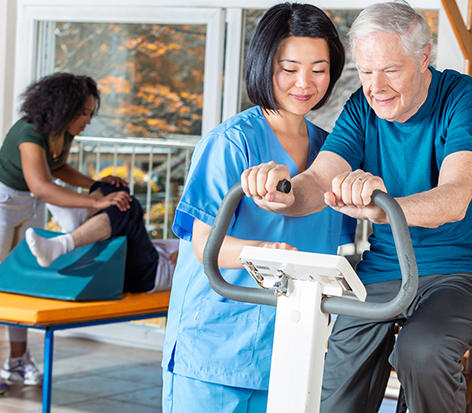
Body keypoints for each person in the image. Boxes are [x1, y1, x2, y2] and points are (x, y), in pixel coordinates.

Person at [241, 2, 472, 412]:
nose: (376, 87)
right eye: (366, 72)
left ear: (423, 59)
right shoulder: (362, 107)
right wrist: (284, 194)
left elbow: (454, 199)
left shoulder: (462, 97)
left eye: (390, 71)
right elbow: (319, 179)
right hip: (388, 267)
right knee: (341, 367)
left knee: (422, 350)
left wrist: (384, 209)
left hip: (468, 268)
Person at [161, 4, 352, 412]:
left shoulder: (329, 152)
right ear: (265, 65)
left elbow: (334, 246)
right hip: (217, 348)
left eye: (319, 69)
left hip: (291, 345)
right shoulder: (232, 143)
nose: (305, 82)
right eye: (289, 68)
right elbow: (203, 245)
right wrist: (270, 258)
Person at [0, 73, 131, 394]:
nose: (87, 119)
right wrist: (96, 199)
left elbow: (56, 169)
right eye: (82, 113)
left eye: (89, 112)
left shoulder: (62, 133)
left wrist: (97, 184)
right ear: (62, 107)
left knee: (22, 277)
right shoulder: (29, 132)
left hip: (28, 202)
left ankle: (17, 361)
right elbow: (42, 186)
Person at [25, 181, 179, 294]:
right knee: (116, 186)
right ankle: (80, 217)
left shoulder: (197, 254)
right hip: (149, 255)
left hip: (151, 274)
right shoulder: (195, 241)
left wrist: (191, 257)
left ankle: (62, 245)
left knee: (129, 207)